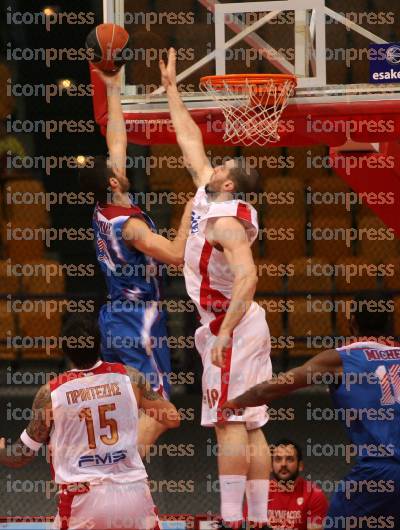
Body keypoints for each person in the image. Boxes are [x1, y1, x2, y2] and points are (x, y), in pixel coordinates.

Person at [160, 49, 273, 529]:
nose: (214, 163)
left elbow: (248, 277)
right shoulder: (213, 195)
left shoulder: (226, 223)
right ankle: (261, 520)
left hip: (232, 321)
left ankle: (232, 521)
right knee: (251, 422)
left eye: (222, 165)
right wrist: (170, 88)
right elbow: (190, 141)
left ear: (228, 184)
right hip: (241, 322)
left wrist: (224, 332)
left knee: (229, 419)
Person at [79, 67, 193, 455]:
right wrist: (190, 214)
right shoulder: (130, 228)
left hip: (112, 316)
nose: (120, 164)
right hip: (139, 317)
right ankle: (127, 474)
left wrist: (112, 89)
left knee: (129, 403)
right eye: (116, 170)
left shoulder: (105, 207)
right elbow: (176, 256)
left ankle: (111, 470)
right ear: (113, 182)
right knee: (162, 410)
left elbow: (116, 140)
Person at [222, 295, 400, 529]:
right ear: (392, 323)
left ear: (352, 322)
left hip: (378, 470)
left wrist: (235, 401)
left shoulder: (341, 359)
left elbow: (278, 385)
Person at [0, 313, 180, 530]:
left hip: (82, 498)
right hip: (132, 494)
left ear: (64, 350)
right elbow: (172, 419)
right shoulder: (130, 378)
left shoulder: (51, 393)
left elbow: (19, 456)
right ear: (99, 343)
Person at [266, 439, 328, 530]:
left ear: (300, 466)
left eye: (289, 459)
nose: (283, 464)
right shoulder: (259, 494)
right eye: (278, 459)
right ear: (271, 466)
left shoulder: (314, 495)